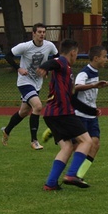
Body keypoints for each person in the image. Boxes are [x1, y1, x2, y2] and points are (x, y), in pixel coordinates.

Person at [55, 45, 108, 179]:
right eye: (105, 57)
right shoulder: (84, 72)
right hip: (80, 115)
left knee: (95, 144)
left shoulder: (95, 72)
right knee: (77, 146)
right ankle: (56, 133)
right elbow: (78, 87)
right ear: (96, 58)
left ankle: (79, 174)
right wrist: (93, 85)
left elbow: (97, 85)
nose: (107, 59)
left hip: (91, 115)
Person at [36, 39, 97, 190]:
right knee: (87, 142)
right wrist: (44, 66)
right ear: (73, 52)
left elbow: (71, 98)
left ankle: (50, 183)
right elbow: (54, 62)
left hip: (51, 114)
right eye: (77, 54)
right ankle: (71, 174)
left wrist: (91, 111)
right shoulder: (62, 62)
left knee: (68, 147)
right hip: (62, 113)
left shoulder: (67, 71)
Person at [1, 23, 58, 149]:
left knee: (24, 112)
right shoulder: (25, 46)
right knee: (37, 106)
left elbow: (56, 58)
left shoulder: (49, 46)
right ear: (33, 33)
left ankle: (7, 130)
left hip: (37, 83)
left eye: (44, 32)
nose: (42, 34)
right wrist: (18, 68)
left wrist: (47, 69)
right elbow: (7, 56)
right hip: (24, 82)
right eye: (39, 32)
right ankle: (34, 141)